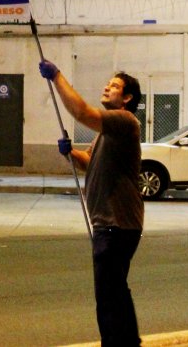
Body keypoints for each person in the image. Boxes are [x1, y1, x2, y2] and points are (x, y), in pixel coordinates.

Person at [39, 58, 143, 346]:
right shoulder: (106, 133)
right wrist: (71, 153)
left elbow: (82, 112)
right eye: (108, 84)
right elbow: (89, 162)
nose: (107, 87)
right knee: (116, 291)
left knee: (108, 296)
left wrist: (57, 76)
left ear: (127, 98)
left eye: (114, 86)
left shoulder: (124, 121)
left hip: (116, 224)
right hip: (111, 224)